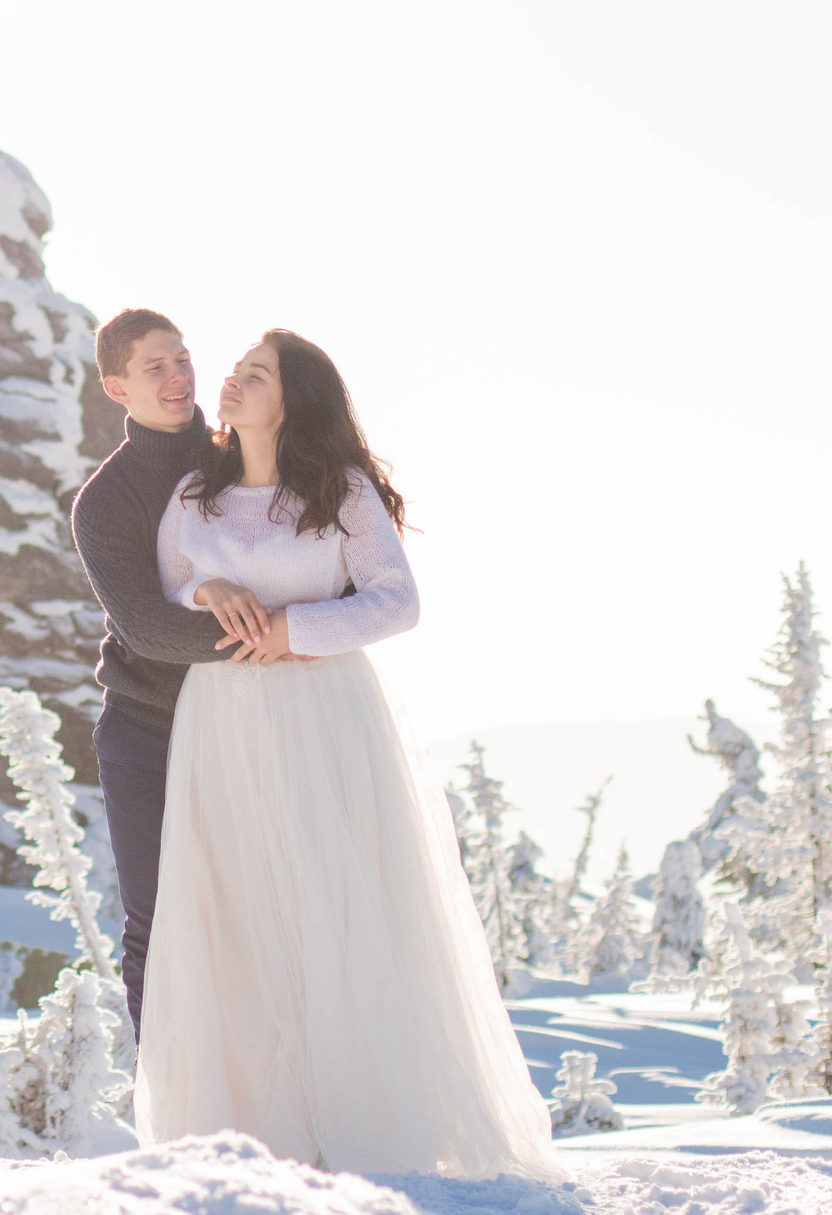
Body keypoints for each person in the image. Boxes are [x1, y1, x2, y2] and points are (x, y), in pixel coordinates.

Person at [132, 329, 558, 1179]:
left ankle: (362, 1122)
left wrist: (298, 629)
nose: (231, 379)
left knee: (335, 905)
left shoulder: (341, 491)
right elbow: (171, 584)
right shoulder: (194, 491)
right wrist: (207, 587)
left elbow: (397, 602)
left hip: (324, 719)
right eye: (238, 368)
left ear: (293, 399)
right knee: (239, 910)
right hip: (222, 724)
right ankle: (255, 1128)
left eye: (255, 374)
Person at [69, 309, 236, 1036]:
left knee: (253, 911)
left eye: (183, 358)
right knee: (159, 920)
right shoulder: (105, 500)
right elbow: (147, 627)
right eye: (155, 367)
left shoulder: (245, 458)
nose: (178, 376)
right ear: (116, 386)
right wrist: (276, 639)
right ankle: (167, 1100)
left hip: (244, 719)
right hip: (147, 731)